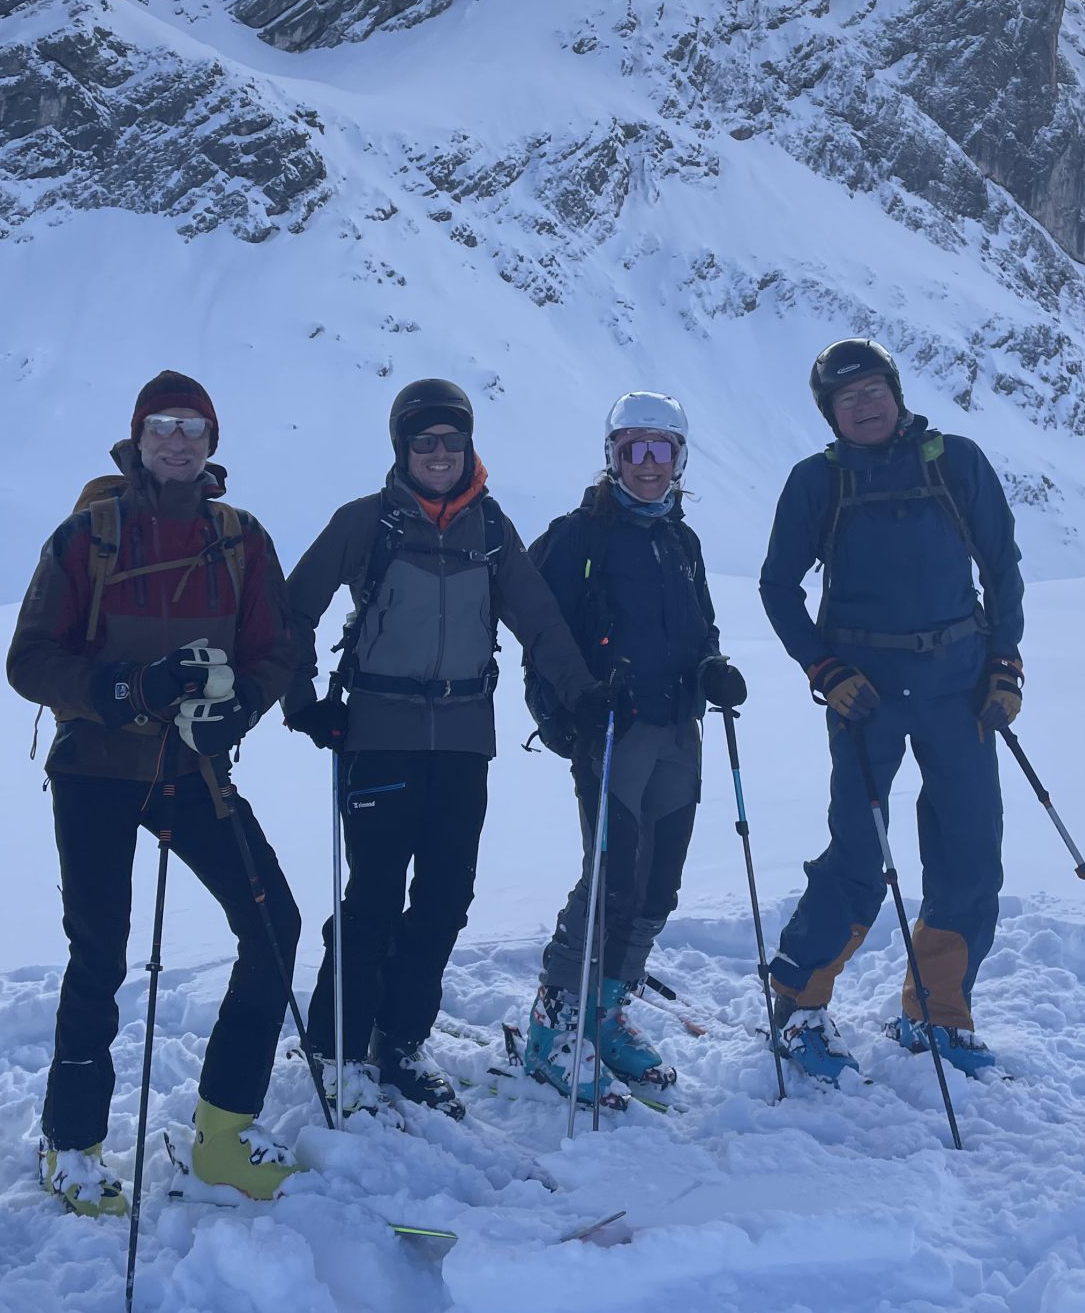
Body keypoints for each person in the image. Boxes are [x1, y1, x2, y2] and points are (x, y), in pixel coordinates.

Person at [7, 370, 306, 1211]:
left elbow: (275, 649)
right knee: (99, 953)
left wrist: (238, 709)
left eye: (193, 427)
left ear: (213, 443)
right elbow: (30, 660)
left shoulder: (242, 538)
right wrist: (126, 691)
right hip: (97, 770)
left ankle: (222, 1131)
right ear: (138, 439)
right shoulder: (88, 535)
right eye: (162, 426)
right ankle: (72, 1146)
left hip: (191, 770)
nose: (177, 440)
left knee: (272, 926)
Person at [281, 378, 602, 1119]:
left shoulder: (489, 530)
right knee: (373, 899)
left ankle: (398, 1042)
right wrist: (305, 704)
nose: (438, 453)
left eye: (451, 441)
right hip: (378, 736)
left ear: (469, 446)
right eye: (423, 441)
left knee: (445, 900)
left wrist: (581, 690)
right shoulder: (366, 523)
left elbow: (540, 620)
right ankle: (336, 1044)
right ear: (402, 447)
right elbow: (293, 609)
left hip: (464, 741)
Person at [759, 339, 1024, 1082]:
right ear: (831, 414)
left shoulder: (956, 462)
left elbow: (1001, 568)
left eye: (874, 389)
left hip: (959, 687)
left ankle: (937, 1014)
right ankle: (799, 1003)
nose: (865, 405)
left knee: (970, 852)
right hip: (866, 694)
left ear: (896, 391)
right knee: (857, 853)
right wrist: (825, 668)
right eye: (848, 399)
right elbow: (777, 587)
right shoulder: (819, 481)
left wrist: (1005, 665)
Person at [521, 393, 747, 1103]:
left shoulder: (682, 542)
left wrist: (713, 666)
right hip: (613, 730)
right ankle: (554, 1023)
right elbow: (538, 634)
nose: (647, 466)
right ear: (612, 457)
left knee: (659, 884)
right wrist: (568, 705)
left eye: (661, 451)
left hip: (679, 728)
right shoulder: (577, 536)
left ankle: (605, 1012)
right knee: (611, 879)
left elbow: (700, 627)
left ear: (679, 462)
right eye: (633, 451)